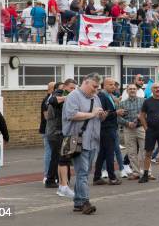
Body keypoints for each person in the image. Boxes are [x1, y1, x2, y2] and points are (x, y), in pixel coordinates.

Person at [62, 73, 106, 215]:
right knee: (82, 173)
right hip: (77, 140)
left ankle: (78, 202)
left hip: (93, 140)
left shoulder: (96, 97)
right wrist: (92, 114)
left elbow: (96, 115)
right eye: (94, 86)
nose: (95, 89)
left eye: (97, 87)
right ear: (86, 82)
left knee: (85, 173)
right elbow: (71, 115)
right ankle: (85, 202)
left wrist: (101, 115)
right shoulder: (73, 96)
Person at [45, 81, 75, 198]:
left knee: (62, 158)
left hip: (64, 132)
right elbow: (52, 101)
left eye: (74, 88)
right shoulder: (57, 95)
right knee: (59, 158)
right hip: (56, 133)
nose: (73, 90)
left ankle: (63, 183)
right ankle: (54, 181)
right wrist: (68, 97)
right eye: (71, 87)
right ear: (65, 87)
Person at [93, 77, 124, 185]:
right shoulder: (102, 96)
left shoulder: (109, 96)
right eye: (111, 84)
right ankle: (112, 177)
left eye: (114, 84)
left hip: (109, 128)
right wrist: (116, 113)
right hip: (106, 128)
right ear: (104, 85)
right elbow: (102, 114)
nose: (114, 86)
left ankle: (97, 177)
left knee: (102, 154)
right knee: (110, 153)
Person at [119, 84, 146, 180]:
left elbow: (147, 113)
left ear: (137, 90)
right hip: (128, 129)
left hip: (140, 128)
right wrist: (127, 123)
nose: (132, 90)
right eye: (130, 89)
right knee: (131, 152)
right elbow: (118, 117)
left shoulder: (143, 101)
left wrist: (140, 119)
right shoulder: (122, 103)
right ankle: (136, 173)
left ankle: (148, 172)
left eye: (134, 89)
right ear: (127, 90)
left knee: (145, 151)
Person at [39, 82, 55, 184]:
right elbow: (46, 116)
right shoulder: (47, 101)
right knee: (49, 152)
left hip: (50, 130)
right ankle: (47, 175)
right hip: (47, 130)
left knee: (52, 153)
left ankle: (51, 174)